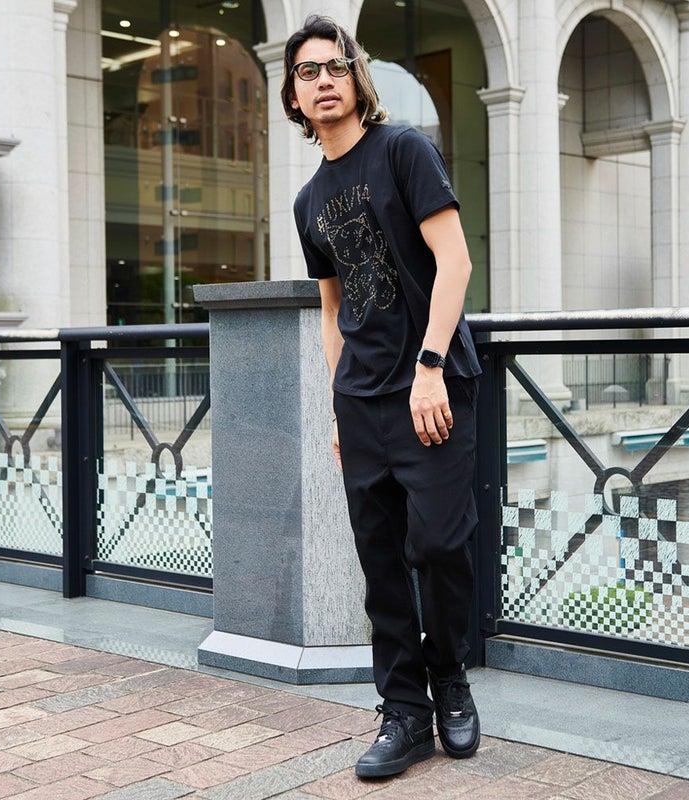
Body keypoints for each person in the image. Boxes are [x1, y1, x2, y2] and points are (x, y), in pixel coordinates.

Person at [282, 15, 482, 779]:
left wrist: (430, 366)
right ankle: (404, 713)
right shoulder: (308, 200)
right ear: (294, 97)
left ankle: (451, 680)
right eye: (307, 72)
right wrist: (338, 408)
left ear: (357, 78)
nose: (323, 81)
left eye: (336, 66)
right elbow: (333, 309)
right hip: (361, 403)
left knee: (439, 545)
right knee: (381, 565)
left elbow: (455, 261)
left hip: (432, 388)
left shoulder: (404, 151)